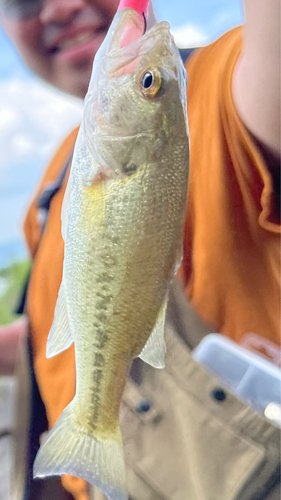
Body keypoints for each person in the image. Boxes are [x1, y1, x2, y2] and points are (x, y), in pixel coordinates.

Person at [0, 0, 280, 499]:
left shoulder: (225, 93)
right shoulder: (55, 181)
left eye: (148, 85)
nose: (61, 6)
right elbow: (67, 317)